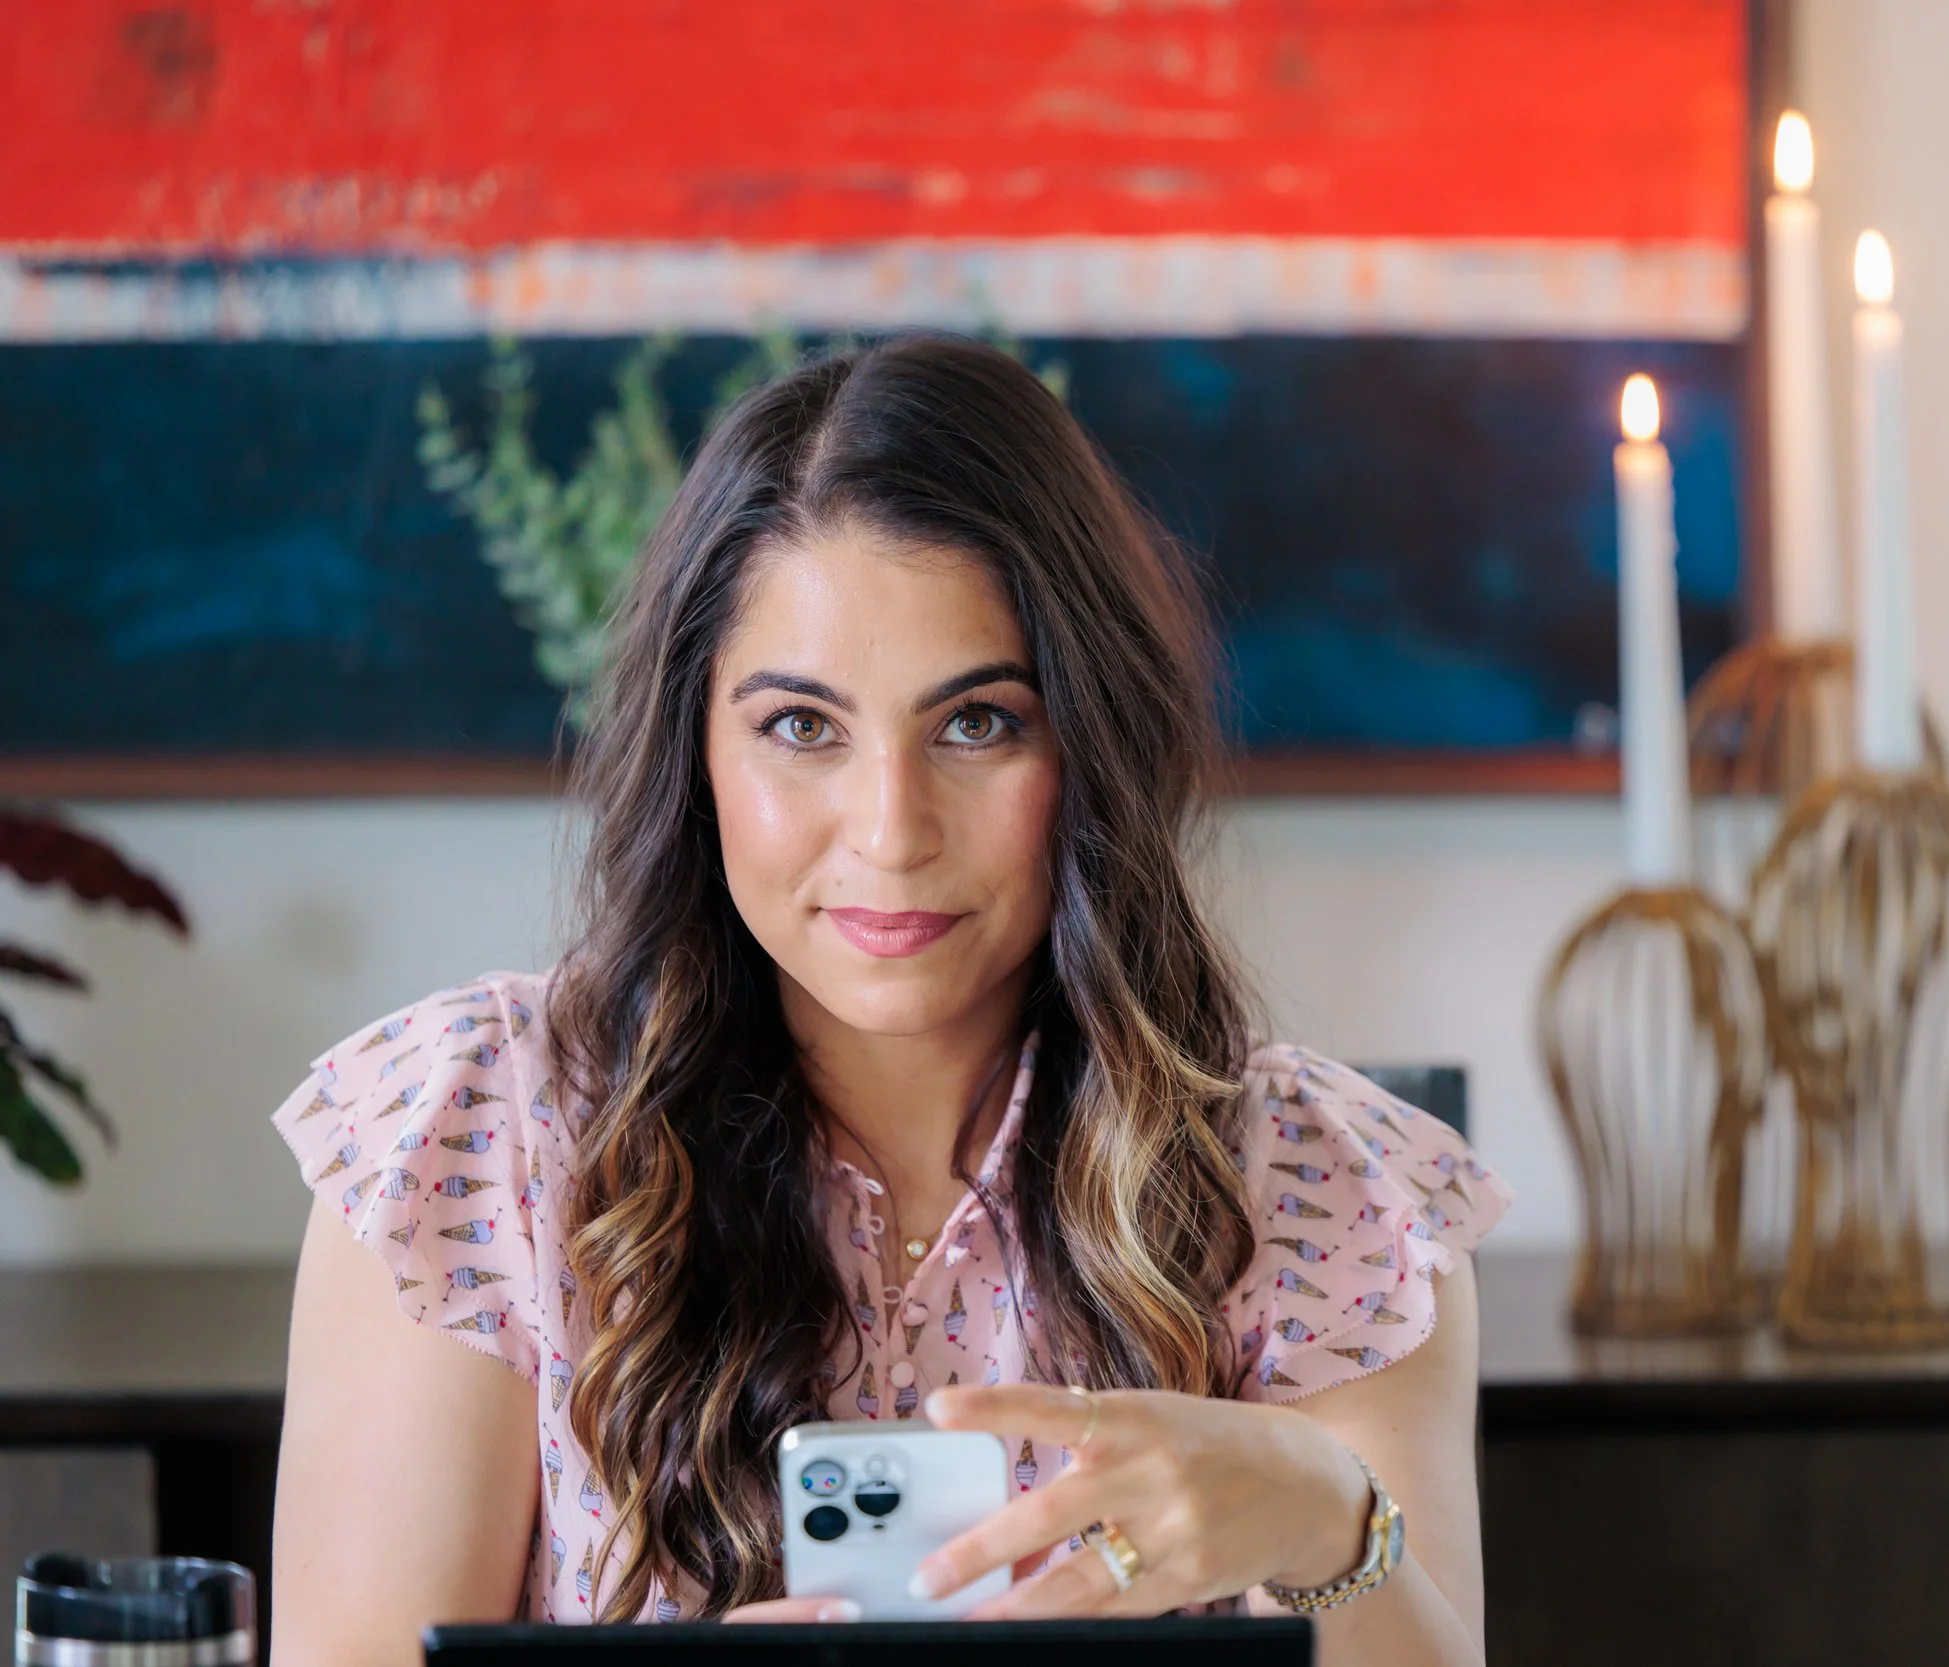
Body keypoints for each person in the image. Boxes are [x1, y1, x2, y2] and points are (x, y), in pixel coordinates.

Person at [268, 336, 1510, 1667]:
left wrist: (1332, 1520)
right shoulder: (480, 1133)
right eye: (802, 726)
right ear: (696, 750)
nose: (890, 830)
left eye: (977, 722)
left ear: (1091, 741)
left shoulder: (1320, 1184)